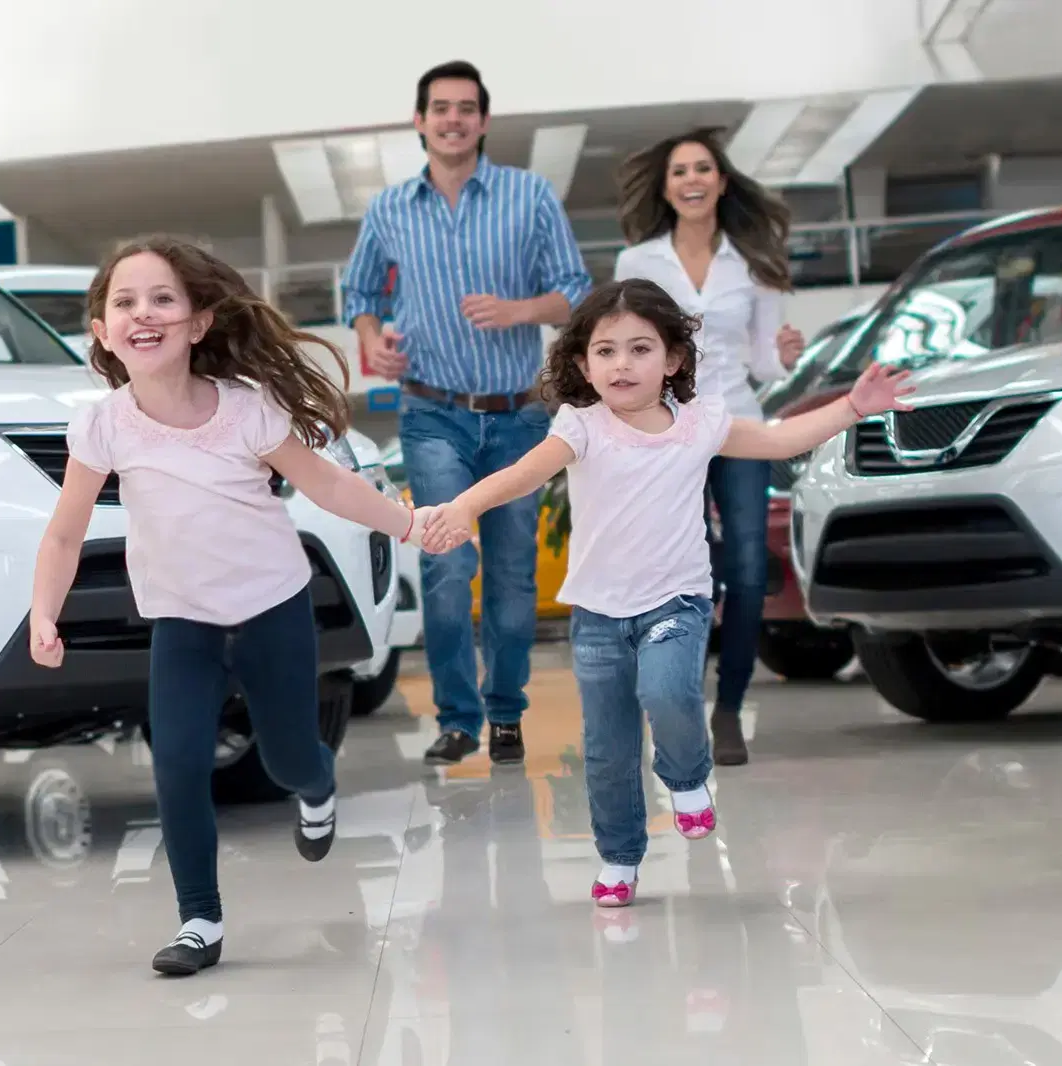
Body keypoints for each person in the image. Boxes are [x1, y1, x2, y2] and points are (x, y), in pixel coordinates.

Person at [420, 278, 913, 906]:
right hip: (598, 615)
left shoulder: (700, 424)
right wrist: (464, 507)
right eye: (605, 352)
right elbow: (522, 474)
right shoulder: (581, 426)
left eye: (640, 348)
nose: (622, 364)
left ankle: (686, 777)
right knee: (607, 749)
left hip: (676, 601)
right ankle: (620, 859)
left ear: (674, 359)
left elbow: (780, 440)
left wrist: (852, 407)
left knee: (668, 689)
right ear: (583, 364)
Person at [27, 236, 436, 976]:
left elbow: (327, 485)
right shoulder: (103, 424)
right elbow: (65, 531)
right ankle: (199, 921)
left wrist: (408, 524)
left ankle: (319, 785)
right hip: (181, 622)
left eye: (162, 299)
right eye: (124, 302)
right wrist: (43, 613)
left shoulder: (246, 410)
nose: (142, 314)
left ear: (198, 323)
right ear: (100, 331)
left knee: (286, 761)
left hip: (271, 611)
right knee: (178, 767)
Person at [342, 59, 592, 767]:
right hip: (432, 412)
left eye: (466, 108)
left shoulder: (529, 195)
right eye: (439, 108)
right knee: (448, 564)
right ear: (419, 121)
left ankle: (506, 712)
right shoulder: (390, 209)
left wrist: (521, 310)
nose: (452, 119)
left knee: (512, 573)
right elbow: (357, 292)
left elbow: (575, 289)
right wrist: (370, 339)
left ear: (483, 121)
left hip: (518, 419)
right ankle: (457, 718)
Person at [612, 127, 807, 767]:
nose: (692, 180)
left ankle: (729, 708)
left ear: (722, 181)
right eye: (679, 172)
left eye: (703, 169)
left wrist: (780, 357)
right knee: (684, 573)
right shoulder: (637, 263)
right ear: (666, 188)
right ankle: (684, 704)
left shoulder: (753, 263)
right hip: (669, 435)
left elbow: (762, 364)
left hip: (738, 424)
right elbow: (630, 353)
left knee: (748, 569)